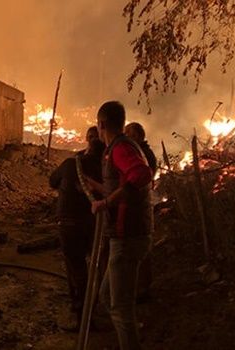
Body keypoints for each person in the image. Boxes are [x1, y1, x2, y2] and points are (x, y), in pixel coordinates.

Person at [89, 101, 153, 350]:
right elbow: (119, 186)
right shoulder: (119, 148)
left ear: (102, 124)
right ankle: (130, 337)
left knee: (120, 307)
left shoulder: (120, 148)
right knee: (108, 297)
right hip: (126, 236)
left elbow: (141, 174)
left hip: (128, 237)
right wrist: (93, 186)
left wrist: (106, 203)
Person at [49, 137, 105, 331]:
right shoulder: (106, 169)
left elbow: (52, 181)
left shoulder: (72, 164)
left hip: (70, 224)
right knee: (95, 268)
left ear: (87, 149)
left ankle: (83, 320)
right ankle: (89, 309)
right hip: (94, 225)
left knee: (77, 269)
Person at [125, 122, 157, 302]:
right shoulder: (138, 153)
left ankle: (143, 290)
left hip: (140, 209)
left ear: (137, 136)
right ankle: (137, 287)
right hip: (136, 209)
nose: (125, 136)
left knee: (141, 250)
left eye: (129, 133)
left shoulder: (144, 155)